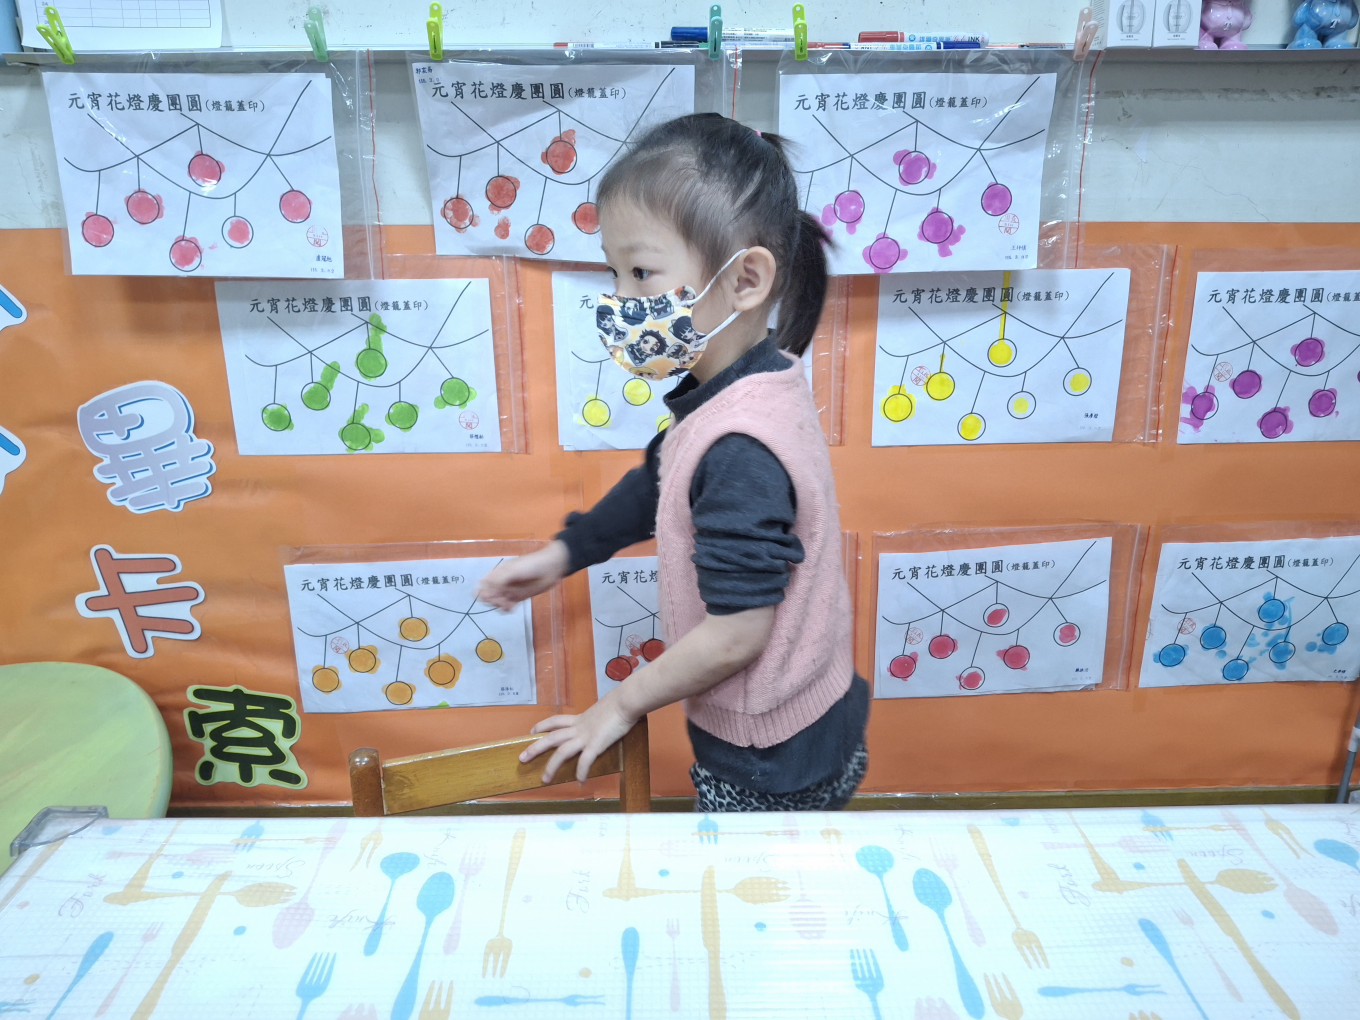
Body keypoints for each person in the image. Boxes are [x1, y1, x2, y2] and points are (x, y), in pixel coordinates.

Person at [478, 113, 869, 812]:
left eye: (642, 272)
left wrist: (619, 706)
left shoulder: (740, 444)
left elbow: (737, 633)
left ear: (745, 279)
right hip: (814, 706)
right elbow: (662, 480)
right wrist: (567, 553)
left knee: (766, 876)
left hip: (772, 755)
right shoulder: (749, 383)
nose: (620, 301)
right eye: (615, 272)